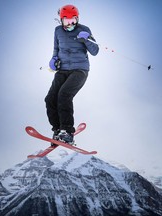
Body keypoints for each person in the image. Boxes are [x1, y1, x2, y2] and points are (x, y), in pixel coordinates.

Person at [45, 4, 99, 145]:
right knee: (50, 99)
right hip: (62, 70)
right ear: (61, 20)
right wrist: (53, 59)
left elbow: (95, 51)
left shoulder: (84, 30)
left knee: (64, 95)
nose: (71, 24)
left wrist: (86, 40)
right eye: (67, 21)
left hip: (79, 70)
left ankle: (68, 132)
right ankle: (58, 131)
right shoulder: (57, 31)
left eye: (73, 20)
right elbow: (56, 49)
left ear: (77, 18)